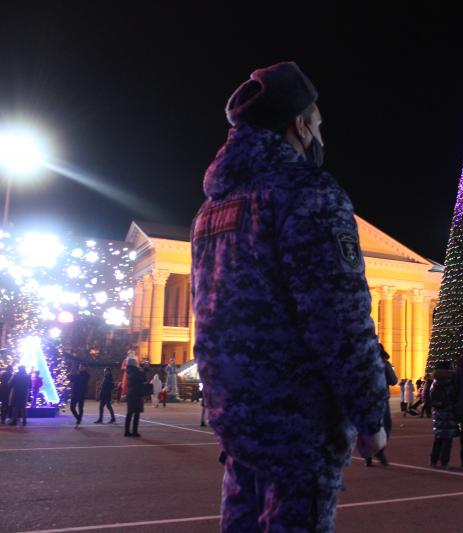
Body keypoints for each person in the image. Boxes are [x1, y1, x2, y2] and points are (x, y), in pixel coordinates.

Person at [191, 62, 387, 532]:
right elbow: (338, 315)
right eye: (318, 124)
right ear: (299, 125)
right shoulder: (307, 193)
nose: (320, 135)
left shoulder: (211, 209)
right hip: (299, 424)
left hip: (237, 420)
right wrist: (370, 412)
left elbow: (209, 318)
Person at [367, 345, 397, 467]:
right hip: (381, 399)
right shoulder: (384, 363)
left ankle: (368, 456)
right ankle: (380, 452)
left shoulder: (364, 364)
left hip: (367, 399)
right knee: (385, 426)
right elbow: (393, 381)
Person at [430, 361, 458, 469]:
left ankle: (433, 460)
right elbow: (454, 396)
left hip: (437, 413)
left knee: (438, 437)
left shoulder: (434, 382)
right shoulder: (451, 381)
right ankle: (444, 461)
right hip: (449, 412)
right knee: (447, 439)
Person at [124, 357, 145, 437]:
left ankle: (127, 431)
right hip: (137, 394)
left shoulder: (129, 371)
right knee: (136, 414)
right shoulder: (136, 371)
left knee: (129, 413)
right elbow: (142, 379)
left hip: (130, 394)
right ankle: (134, 431)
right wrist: (143, 370)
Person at [69, 363, 90, 428]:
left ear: (85, 367)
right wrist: (72, 372)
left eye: (81, 366)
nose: (80, 367)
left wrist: (75, 374)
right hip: (75, 393)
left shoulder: (86, 375)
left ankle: (78, 421)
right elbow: (70, 379)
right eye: (79, 366)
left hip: (81, 394)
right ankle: (79, 419)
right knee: (72, 407)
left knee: (80, 408)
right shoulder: (77, 374)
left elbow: (81, 380)